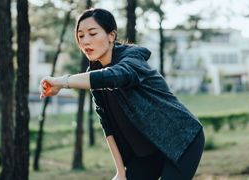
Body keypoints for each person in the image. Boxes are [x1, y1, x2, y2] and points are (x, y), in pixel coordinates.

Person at [40, 8, 205, 180]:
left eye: (92, 33)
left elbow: (113, 77)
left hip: (181, 137)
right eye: (81, 36)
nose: (85, 41)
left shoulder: (131, 59)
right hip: (147, 152)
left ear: (111, 36)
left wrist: (62, 81)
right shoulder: (94, 72)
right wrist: (121, 170)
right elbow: (107, 125)